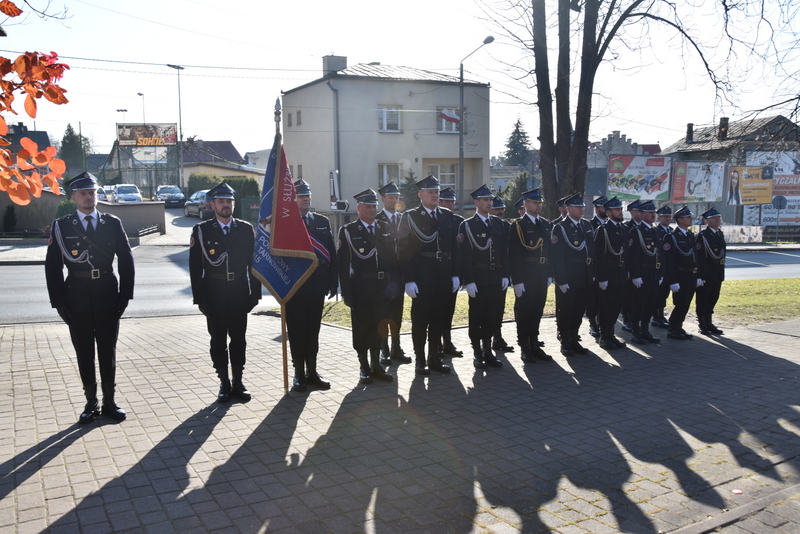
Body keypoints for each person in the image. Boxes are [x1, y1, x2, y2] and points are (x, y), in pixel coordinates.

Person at [45, 172, 135, 424]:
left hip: (108, 295)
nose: (88, 197)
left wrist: (125, 295)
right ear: (73, 197)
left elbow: (126, 259)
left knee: (108, 351)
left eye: (92, 193)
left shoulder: (112, 223)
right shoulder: (61, 226)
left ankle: (109, 401)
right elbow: (53, 267)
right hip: (77, 299)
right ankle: (90, 402)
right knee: (84, 352)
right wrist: (59, 302)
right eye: (83, 193)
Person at [190, 183, 261, 403]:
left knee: (239, 340)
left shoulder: (245, 228)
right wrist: (200, 299)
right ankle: (224, 383)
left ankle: (238, 382)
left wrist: (255, 293)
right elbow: (195, 268)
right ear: (213, 205)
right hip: (215, 293)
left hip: (239, 291)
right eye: (221, 201)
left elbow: (254, 263)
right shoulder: (201, 230)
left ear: (233, 204)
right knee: (218, 341)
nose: (225, 205)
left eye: (228, 201)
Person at [397, 175, 459, 375]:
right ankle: (420, 359)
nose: (434, 195)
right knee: (421, 319)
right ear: (420, 194)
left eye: (436, 192)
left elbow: (454, 248)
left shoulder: (447, 216)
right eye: (430, 192)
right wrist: (409, 279)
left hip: (443, 274)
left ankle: (434, 357)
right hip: (422, 275)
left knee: (438, 319)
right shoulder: (410, 216)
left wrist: (455, 274)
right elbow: (403, 249)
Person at [338, 189, 399, 384]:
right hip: (361, 287)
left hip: (382, 288)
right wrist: (346, 293)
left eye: (374, 206)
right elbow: (342, 265)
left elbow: (394, 261)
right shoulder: (348, 231)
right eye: (368, 206)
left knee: (378, 327)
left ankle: (376, 365)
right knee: (362, 327)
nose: (372, 209)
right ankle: (363, 366)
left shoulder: (385, 228)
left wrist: (393, 285)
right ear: (358, 208)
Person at [459, 185, 510, 369]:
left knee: (492, 316)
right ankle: (477, 353)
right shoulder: (467, 225)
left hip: (495, 276)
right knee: (477, 317)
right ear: (476, 202)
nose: (489, 203)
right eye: (485, 200)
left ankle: (488, 351)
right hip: (478, 278)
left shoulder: (497, 223)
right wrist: (469, 281)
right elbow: (465, 256)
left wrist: (505, 274)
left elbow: (504, 251)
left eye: (490, 200)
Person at [508, 189, 553, 363]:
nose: (538, 205)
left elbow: (549, 251)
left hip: (541, 274)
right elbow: (515, 255)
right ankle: (524, 347)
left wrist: (549, 274)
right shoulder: (518, 225)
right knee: (525, 312)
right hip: (526, 275)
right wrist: (517, 281)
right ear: (525, 205)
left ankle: (534, 343)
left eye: (540, 202)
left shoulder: (544, 224)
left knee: (537, 311)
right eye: (535, 202)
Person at [550, 193, 595, 356]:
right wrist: (561, 280)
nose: (581, 209)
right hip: (569, 276)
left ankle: (574, 338)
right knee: (566, 310)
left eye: (582, 206)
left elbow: (592, 251)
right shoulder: (560, 227)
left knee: (579, 310)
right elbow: (557, 256)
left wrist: (593, 274)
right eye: (577, 207)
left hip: (584, 275)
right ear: (568, 209)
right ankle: (565, 341)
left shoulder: (586, 226)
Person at [375, 181, 411, 364]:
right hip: (384, 276)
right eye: (391, 197)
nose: (395, 200)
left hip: (399, 275)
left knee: (397, 313)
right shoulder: (376, 219)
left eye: (397, 197)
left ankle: (397, 348)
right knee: (384, 314)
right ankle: (384, 349)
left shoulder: (403, 218)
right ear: (383, 199)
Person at [592, 196, 629, 350]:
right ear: (608, 212)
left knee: (616, 306)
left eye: (620, 209)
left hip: (620, 272)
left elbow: (626, 253)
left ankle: (612, 334)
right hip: (608, 272)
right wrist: (601, 277)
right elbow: (598, 255)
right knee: (606, 306)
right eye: (616, 210)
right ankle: (604, 336)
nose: (620, 212)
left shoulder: (623, 228)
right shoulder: (603, 230)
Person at [626, 200, 663, 345]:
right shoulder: (636, 231)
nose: (652, 215)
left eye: (653, 212)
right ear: (641, 215)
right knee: (638, 304)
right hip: (642, 273)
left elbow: (660, 255)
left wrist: (660, 273)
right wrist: (635, 275)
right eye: (649, 212)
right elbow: (633, 255)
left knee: (650, 304)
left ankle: (645, 331)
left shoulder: (655, 230)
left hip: (653, 273)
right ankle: (636, 331)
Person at [662, 206, 700, 340]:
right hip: (680, 276)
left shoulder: (690, 235)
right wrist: (672, 281)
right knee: (681, 303)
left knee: (687, 303)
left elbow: (695, 257)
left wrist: (698, 275)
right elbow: (669, 261)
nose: (691, 219)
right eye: (688, 217)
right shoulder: (671, 237)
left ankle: (678, 326)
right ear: (680, 220)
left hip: (691, 275)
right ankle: (672, 328)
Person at [437, 186, 465, 359]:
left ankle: (447, 341)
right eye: (447, 201)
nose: (450, 204)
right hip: (437, 270)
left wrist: (459, 274)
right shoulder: (435, 219)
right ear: (439, 202)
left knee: (449, 309)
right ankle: (437, 344)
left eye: (452, 201)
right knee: (437, 310)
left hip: (453, 270)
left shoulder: (458, 221)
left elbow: (460, 250)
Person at [695, 207, 726, 335]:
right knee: (703, 298)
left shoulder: (719, 233)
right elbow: (699, 258)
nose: (717, 220)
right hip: (706, 272)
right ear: (707, 222)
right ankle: (702, 323)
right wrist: (700, 275)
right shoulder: (702, 236)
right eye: (714, 218)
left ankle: (709, 321)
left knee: (714, 297)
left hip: (717, 271)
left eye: (718, 218)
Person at [490, 195, 514, 353]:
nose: (500, 211)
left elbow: (508, 251)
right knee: (485, 309)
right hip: (484, 272)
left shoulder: (505, 226)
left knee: (498, 307)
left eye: (502, 208)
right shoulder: (478, 224)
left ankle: (497, 337)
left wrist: (507, 273)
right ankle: (483, 341)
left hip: (500, 271)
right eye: (497, 208)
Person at [585, 195, 608, 338]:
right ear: (597, 208)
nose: (606, 210)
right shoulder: (589, 225)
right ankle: (593, 323)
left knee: (605, 300)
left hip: (607, 267)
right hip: (594, 268)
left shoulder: (609, 225)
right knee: (593, 299)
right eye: (603, 207)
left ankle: (604, 324)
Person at [651, 205, 673, 329]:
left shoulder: (671, 231)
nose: (667, 219)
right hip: (660, 268)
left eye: (669, 216)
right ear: (659, 218)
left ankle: (661, 315)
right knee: (658, 294)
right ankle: (656, 316)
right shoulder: (656, 231)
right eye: (665, 216)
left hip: (669, 268)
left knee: (665, 293)